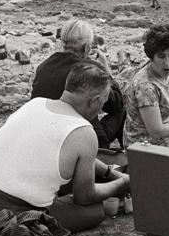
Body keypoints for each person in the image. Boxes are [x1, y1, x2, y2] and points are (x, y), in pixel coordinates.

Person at [0, 61, 131, 236]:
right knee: (95, 210)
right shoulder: (84, 131)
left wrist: (107, 171)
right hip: (1, 225)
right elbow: (85, 197)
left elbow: (82, 157)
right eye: (102, 104)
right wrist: (120, 183)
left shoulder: (35, 104)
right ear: (95, 101)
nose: (100, 110)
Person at [31, 19, 126, 149]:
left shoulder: (43, 66)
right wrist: (104, 67)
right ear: (87, 47)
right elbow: (116, 104)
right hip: (80, 136)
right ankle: (120, 156)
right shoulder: (89, 69)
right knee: (122, 110)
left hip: (46, 131)